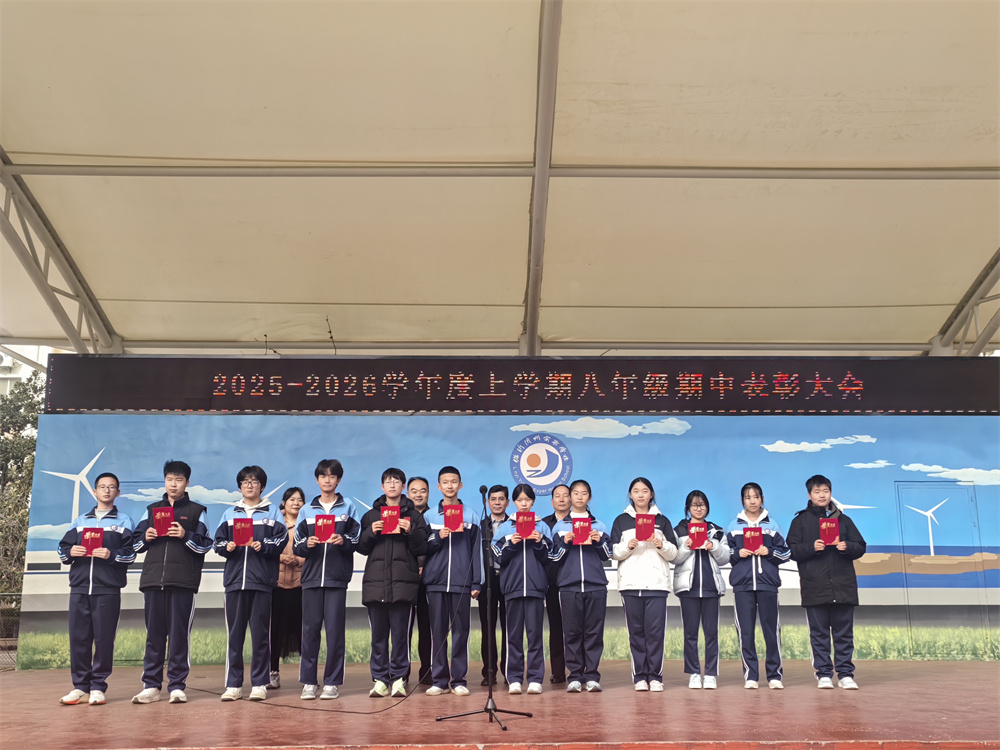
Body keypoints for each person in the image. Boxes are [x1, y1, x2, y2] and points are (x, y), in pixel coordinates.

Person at [132, 460, 213, 704]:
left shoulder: (197, 511)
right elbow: (134, 544)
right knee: (154, 636)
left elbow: (205, 545)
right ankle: (151, 686)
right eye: (169, 479)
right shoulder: (151, 510)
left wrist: (185, 535)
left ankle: (177, 686)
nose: (173, 484)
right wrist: (146, 537)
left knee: (179, 636)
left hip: (183, 582)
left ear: (187, 482)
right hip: (153, 580)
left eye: (178, 480)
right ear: (164, 481)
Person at [57, 472, 135, 706]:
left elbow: (130, 554)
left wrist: (111, 554)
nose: (107, 490)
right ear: (94, 491)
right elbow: (62, 549)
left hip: (107, 589)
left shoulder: (124, 522)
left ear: (118, 492)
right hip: (79, 588)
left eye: (111, 487)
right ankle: (80, 687)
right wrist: (71, 552)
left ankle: (98, 687)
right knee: (79, 639)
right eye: (102, 486)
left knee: (103, 640)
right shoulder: (80, 521)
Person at [787, 474, 867, 690]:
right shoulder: (800, 521)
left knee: (844, 634)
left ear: (830, 493)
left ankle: (845, 674)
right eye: (817, 492)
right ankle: (823, 674)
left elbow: (860, 546)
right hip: (815, 587)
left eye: (825, 491)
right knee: (819, 634)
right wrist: (811, 547)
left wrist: (846, 546)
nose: (822, 495)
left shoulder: (844, 520)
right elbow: (791, 550)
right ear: (809, 495)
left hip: (843, 587)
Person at [214, 465, 287, 702]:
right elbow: (217, 543)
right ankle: (233, 685)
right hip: (235, 582)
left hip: (261, 582)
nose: (250, 485)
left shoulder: (273, 512)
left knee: (260, 636)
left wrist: (263, 545)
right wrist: (227, 547)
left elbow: (281, 540)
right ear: (239, 487)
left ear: (262, 487)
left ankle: (259, 683)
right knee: (234, 637)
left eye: (254, 482)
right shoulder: (230, 514)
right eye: (245, 482)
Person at [293, 459, 362, 700]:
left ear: (338, 480)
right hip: (311, 578)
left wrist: (343, 541)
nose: (327, 480)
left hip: (336, 578)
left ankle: (332, 682)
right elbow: (297, 544)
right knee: (309, 632)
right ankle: (309, 682)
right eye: (323, 476)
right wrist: (307, 544)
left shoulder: (349, 507)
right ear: (317, 479)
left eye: (332, 476)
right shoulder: (306, 510)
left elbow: (357, 539)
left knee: (335, 633)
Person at [357, 468, 428, 698]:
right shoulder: (370, 516)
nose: (392, 485)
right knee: (378, 637)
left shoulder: (414, 516)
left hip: (403, 585)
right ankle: (379, 680)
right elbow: (361, 547)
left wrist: (410, 531)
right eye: (388, 482)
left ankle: (399, 679)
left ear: (403, 486)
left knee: (400, 636)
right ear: (382, 487)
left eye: (396, 482)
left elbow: (422, 547)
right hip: (376, 584)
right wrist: (370, 532)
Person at [610, 477, 678, 692]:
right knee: (636, 634)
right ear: (630, 494)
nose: (640, 495)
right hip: (630, 585)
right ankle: (639, 677)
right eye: (636, 491)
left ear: (651, 494)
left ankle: (655, 677)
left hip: (657, 585)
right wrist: (627, 546)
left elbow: (674, 554)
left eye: (645, 491)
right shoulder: (621, 521)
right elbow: (613, 552)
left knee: (656, 634)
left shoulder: (662, 521)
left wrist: (661, 544)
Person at [423, 465, 482, 696]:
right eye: (445, 482)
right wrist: (438, 537)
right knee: (437, 632)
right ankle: (439, 680)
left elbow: (477, 551)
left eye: (454, 481)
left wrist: (476, 582)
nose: (450, 486)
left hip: (461, 582)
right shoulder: (429, 516)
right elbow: (422, 547)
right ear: (439, 487)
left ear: (461, 485)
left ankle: (459, 680)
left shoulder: (472, 515)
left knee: (460, 632)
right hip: (436, 582)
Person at [725, 482, 791, 690]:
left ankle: (774, 675)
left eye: (756, 497)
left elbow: (786, 553)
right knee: (745, 633)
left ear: (762, 499)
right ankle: (751, 675)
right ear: (742, 500)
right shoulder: (733, 526)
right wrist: (738, 553)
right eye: (748, 497)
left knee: (771, 632)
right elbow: (724, 554)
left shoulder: (772, 526)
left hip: (767, 584)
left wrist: (769, 552)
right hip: (742, 586)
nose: (752, 501)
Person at [549, 479, 611, 693]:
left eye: (584, 493)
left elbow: (607, 555)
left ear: (589, 497)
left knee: (594, 633)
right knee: (572, 632)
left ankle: (592, 676)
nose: (579, 497)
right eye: (575, 493)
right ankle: (575, 676)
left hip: (596, 585)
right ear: (570, 497)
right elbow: (554, 557)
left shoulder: (599, 525)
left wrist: (598, 541)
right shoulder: (560, 527)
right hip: (569, 585)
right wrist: (565, 543)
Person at [491, 483, 552, 695]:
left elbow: (549, 557)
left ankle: (535, 679)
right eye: (520, 500)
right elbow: (497, 556)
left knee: (535, 636)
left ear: (533, 501)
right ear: (513, 503)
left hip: (535, 588)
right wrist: (511, 545)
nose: (524, 504)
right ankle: (514, 679)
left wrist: (539, 542)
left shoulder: (542, 526)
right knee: (513, 637)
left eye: (527, 500)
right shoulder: (505, 528)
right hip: (513, 588)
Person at [673, 490, 729, 689]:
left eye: (702, 505)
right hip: (688, 589)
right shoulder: (679, 530)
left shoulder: (716, 531)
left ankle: (711, 673)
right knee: (690, 633)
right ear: (688, 508)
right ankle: (694, 673)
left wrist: (713, 546)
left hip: (711, 588)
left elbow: (725, 558)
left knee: (711, 633)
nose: (698, 509)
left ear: (707, 507)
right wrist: (686, 546)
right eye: (694, 505)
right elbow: (674, 558)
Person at [269, 487, 306, 689]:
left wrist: (299, 560)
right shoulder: (275, 522)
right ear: (283, 503)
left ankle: (307, 675)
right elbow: (265, 548)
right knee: (274, 630)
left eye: (300, 500)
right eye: (292, 499)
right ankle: (272, 672)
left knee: (303, 631)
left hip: (301, 584)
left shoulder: (307, 523)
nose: (296, 503)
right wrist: (282, 558)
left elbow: (316, 550)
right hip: (277, 584)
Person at [479, 484, 510, 687]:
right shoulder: (481, 525)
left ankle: (509, 671)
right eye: (493, 499)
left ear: (507, 502)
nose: (497, 503)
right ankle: (489, 672)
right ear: (488, 502)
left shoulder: (515, 524)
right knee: (487, 628)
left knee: (509, 628)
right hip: (487, 581)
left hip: (508, 578)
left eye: (501, 499)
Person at [542, 483, 570, 684]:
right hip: (551, 583)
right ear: (552, 501)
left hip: (573, 581)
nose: (561, 499)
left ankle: (579, 670)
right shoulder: (544, 524)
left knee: (577, 628)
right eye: (557, 496)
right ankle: (558, 671)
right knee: (556, 627)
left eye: (565, 495)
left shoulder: (581, 522)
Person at [406, 476, 433, 686]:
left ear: (429, 493)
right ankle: (401, 673)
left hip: (429, 580)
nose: (418, 494)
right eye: (414, 491)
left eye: (422, 490)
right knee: (403, 629)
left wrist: (425, 566)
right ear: (407, 494)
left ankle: (427, 671)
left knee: (427, 628)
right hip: (406, 578)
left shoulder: (435, 517)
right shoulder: (402, 516)